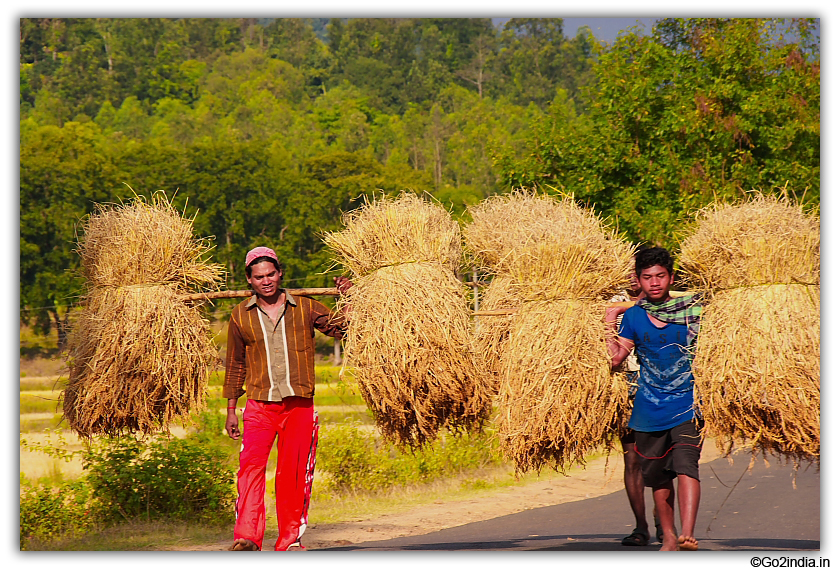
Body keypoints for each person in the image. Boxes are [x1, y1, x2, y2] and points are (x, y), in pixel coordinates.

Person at [224, 246, 353, 552]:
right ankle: (247, 537)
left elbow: (342, 329)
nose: (266, 281)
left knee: (293, 473)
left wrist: (349, 297)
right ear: (249, 280)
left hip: (299, 406)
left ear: (280, 274)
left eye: (271, 274)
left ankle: (289, 540)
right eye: (259, 277)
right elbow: (235, 365)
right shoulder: (240, 316)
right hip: (259, 405)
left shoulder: (306, 308)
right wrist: (231, 409)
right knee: (250, 469)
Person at [605, 247, 703, 551]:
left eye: (661, 276)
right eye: (647, 277)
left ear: (671, 278)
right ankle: (669, 537)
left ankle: (687, 532)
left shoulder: (690, 310)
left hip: (688, 402)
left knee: (687, 466)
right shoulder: (633, 316)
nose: (655, 282)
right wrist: (610, 321)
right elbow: (616, 359)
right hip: (648, 407)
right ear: (639, 280)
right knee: (659, 478)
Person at [610, 276, 662, 547]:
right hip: (625, 384)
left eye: (637, 272)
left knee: (659, 457)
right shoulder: (611, 300)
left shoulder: (664, 301)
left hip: (659, 384)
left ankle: (661, 518)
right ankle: (641, 526)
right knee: (632, 458)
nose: (632, 278)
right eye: (628, 272)